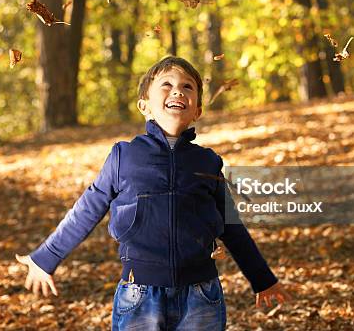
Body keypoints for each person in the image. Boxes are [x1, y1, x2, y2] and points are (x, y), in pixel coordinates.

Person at [16, 56, 291, 330]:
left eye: (187, 87)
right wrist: (46, 257)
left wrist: (262, 278)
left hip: (201, 293)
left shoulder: (208, 162)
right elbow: (87, 210)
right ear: (144, 106)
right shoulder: (124, 156)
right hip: (139, 292)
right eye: (167, 84)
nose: (177, 91)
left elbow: (231, 226)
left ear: (197, 110)